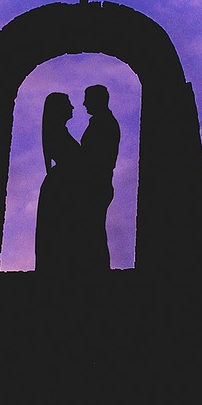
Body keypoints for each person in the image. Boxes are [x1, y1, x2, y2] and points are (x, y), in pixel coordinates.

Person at [35, 92, 83, 274]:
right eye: (68, 104)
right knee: (60, 237)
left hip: (62, 186)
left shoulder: (59, 132)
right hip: (62, 189)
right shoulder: (59, 134)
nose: (72, 107)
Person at [78, 84, 119, 271]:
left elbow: (95, 156)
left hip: (96, 184)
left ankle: (96, 272)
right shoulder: (101, 122)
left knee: (92, 231)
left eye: (88, 99)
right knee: (91, 230)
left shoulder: (104, 123)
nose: (84, 103)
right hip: (96, 183)